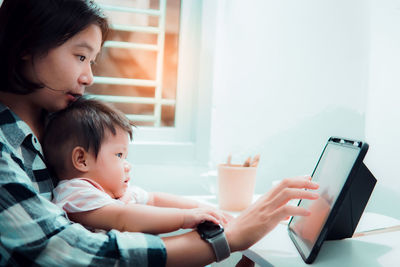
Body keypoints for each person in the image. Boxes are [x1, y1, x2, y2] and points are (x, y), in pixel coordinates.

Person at [0, 0, 319, 266]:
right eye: (80, 56)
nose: (89, 77)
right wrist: (228, 240)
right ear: (28, 45)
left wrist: (216, 217)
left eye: (92, 61)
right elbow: (70, 252)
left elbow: (143, 199)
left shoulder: (60, 125)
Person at [43, 97, 229, 234]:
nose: (127, 165)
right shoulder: (75, 192)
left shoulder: (116, 194)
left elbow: (154, 199)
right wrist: (184, 218)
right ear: (82, 160)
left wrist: (200, 208)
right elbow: (122, 218)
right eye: (119, 155)